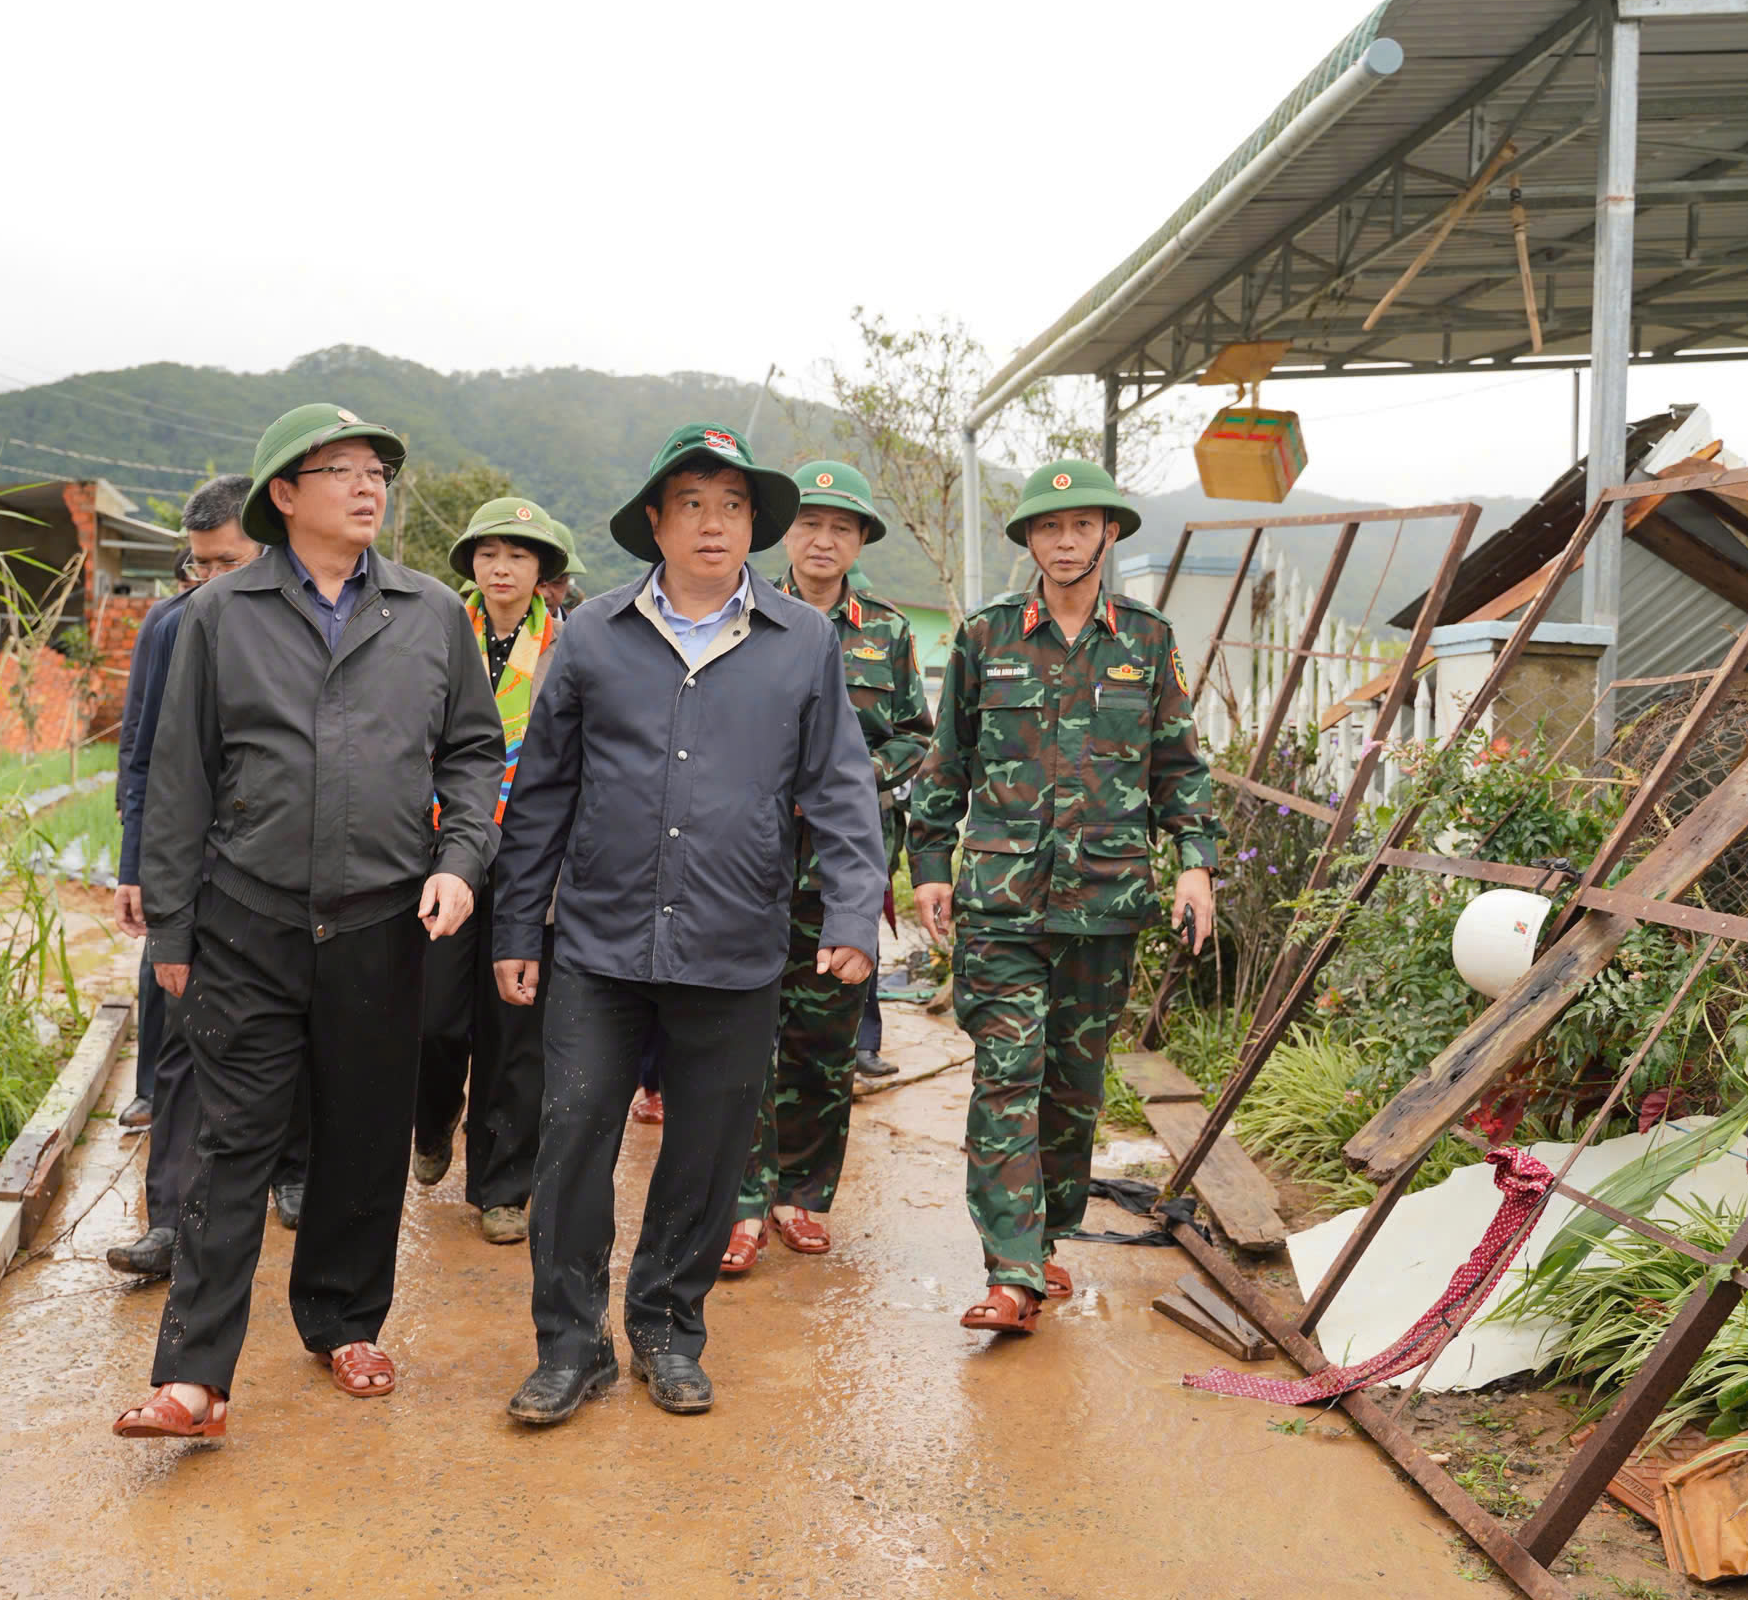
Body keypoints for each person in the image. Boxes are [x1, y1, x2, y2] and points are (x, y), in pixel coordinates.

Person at [113, 402, 506, 1438]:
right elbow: (180, 777)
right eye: (340, 469)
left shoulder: (431, 613)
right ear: (283, 494)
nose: (369, 485)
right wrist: (172, 933)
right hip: (249, 919)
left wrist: (461, 858)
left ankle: (342, 1321)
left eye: (377, 467)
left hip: (383, 922)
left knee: (366, 1137)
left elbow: (472, 752)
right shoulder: (220, 614)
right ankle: (195, 1376)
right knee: (231, 1143)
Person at [491, 422, 884, 1426]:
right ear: (655, 523)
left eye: (734, 506)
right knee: (572, 1139)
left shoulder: (802, 644)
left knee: (706, 1150)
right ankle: (571, 1346)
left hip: (734, 941)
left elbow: (840, 788)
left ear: (754, 525)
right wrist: (514, 931)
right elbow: (540, 795)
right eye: (693, 504)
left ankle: (668, 1327)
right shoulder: (591, 636)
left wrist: (848, 911)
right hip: (599, 942)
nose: (714, 524)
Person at [907, 461, 1219, 1338]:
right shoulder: (986, 637)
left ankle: (1043, 1232)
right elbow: (947, 762)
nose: (1067, 540)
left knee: (1072, 1089)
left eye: (1083, 525)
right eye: (1051, 528)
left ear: (1108, 535)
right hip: (1002, 901)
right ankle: (1010, 1272)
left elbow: (1179, 769)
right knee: (1007, 1073)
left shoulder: (1148, 643)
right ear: (1031, 543)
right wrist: (930, 863)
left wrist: (1195, 864)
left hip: (1105, 903)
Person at [722, 461, 931, 1276]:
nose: (823, 539)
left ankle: (800, 1197)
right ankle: (738, 1201)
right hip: (748, 863)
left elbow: (917, 732)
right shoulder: (745, 614)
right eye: (810, 523)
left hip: (841, 866)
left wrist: (851, 780)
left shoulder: (888, 630)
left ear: (859, 542)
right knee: (740, 1037)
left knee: (825, 1036)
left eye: (842, 527)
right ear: (787, 532)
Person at [105, 477, 315, 1278]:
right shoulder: (171, 625)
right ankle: (170, 1222)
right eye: (197, 567)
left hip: (284, 874)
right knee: (181, 1041)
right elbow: (142, 753)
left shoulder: (310, 623)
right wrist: (137, 869)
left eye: (225, 563)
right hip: (193, 872)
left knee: (298, 1033)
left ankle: (294, 1171)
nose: (208, 583)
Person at [412, 496, 567, 1245]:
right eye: (488, 553)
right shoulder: (434, 635)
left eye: (519, 555)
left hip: (531, 855)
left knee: (517, 1030)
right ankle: (433, 1119)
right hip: (446, 851)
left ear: (543, 572)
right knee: (437, 1019)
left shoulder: (569, 649)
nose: (501, 567)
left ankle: (503, 1185)